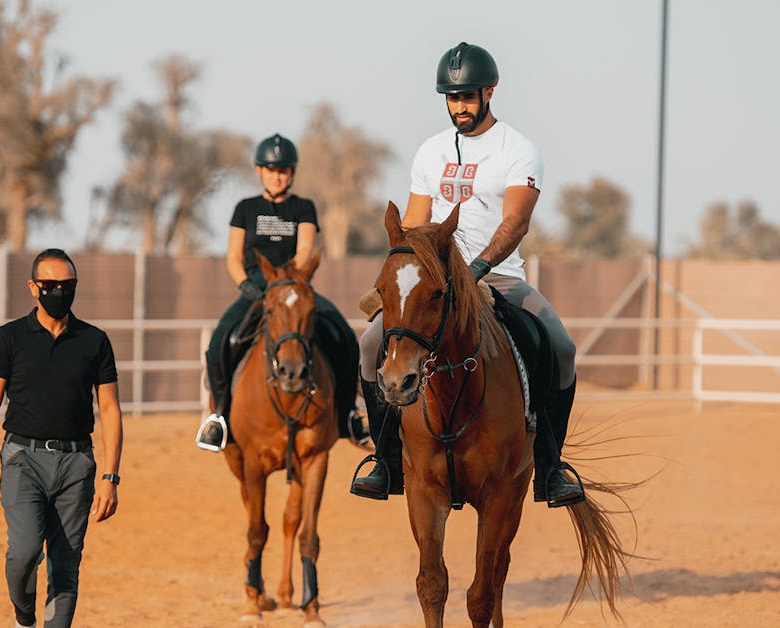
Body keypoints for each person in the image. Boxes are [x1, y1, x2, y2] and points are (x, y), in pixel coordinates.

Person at [350, 42, 585, 508]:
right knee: (370, 343)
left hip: (498, 277)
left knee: (560, 346)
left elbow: (515, 221)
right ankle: (385, 459)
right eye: (452, 98)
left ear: (490, 92)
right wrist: (413, 275)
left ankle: (552, 466)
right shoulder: (430, 151)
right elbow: (416, 224)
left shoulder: (518, 150)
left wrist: (477, 268)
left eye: (468, 97)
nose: (460, 106)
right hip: (435, 281)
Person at [0, 248, 123, 628]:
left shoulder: (95, 342)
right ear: (33, 288)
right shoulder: (9, 338)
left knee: (66, 566)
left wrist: (111, 476)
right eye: (50, 285)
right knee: (22, 554)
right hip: (22, 459)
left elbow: (111, 410)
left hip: (78, 463)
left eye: (67, 286)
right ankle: (23, 620)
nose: (59, 293)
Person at [195, 133, 366, 452]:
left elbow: (304, 250)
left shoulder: (303, 208)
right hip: (256, 289)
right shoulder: (245, 208)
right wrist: (245, 284)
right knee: (222, 341)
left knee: (343, 335)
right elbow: (233, 257)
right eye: (271, 169)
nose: (278, 175)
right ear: (259, 170)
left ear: (293, 173)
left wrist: (290, 280)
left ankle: (348, 414)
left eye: (284, 170)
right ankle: (219, 417)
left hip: (294, 288)